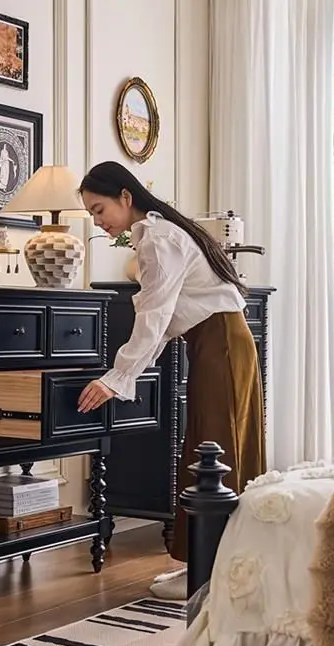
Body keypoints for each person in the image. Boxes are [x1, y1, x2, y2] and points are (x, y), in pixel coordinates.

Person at [76, 161, 266, 599]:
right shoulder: (160, 236)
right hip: (219, 342)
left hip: (220, 344)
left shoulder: (159, 241)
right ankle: (207, 566)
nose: (98, 222)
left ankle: (213, 573)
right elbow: (161, 322)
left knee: (215, 452)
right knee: (213, 449)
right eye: (91, 214)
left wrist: (117, 377)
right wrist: (124, 375)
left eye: (99, 209)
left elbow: (154, 317)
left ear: (126, 197)